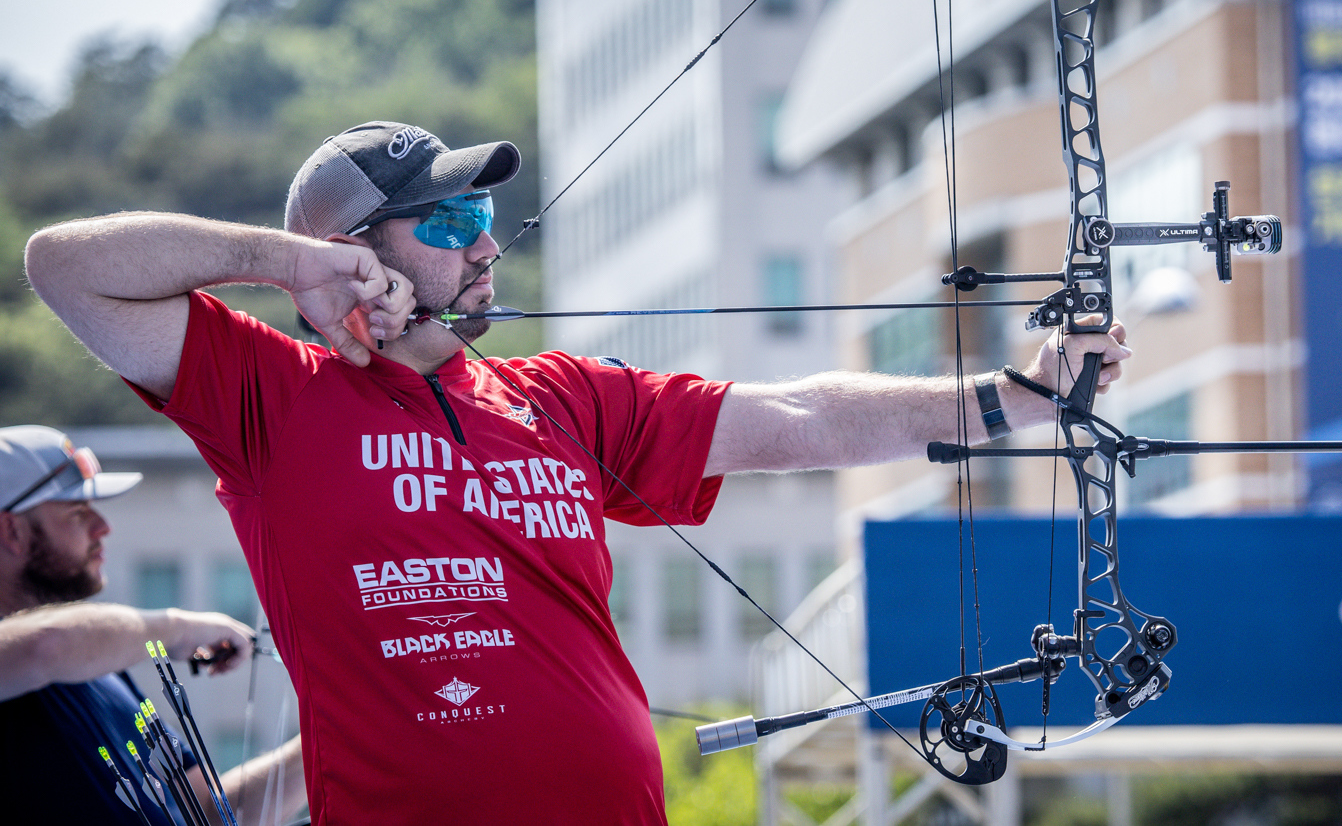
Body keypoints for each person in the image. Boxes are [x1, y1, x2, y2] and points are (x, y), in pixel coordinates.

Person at [23, 120, 1130, 824]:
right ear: (358, 249)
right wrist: (287, 264)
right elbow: (64, 266)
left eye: (488, 220)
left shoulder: (559, 395)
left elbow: (791, 414)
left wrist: (1013, 397)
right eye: (452, 221)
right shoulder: (271, 393)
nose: (486, 247)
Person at [0, 423, 307, 824]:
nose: (102, 527)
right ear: (12, 531)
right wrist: (177, 630)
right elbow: (49, 644)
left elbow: (211, 815)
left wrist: (333, 738)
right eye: (77, 513)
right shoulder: (35, 655)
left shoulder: (100, 665)